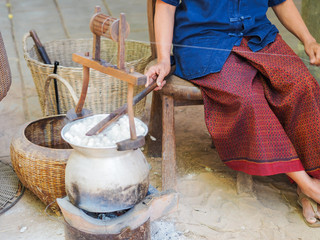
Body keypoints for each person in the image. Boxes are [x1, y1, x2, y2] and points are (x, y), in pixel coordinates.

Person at [145, 0, 320, 227]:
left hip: (258, 37)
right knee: (247, 99)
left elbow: (281, 1)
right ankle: (306, 185)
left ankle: (314, 180)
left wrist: (308, 39)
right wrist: (162, 58)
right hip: (204, 42)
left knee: (303, 84)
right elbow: (165, 6)